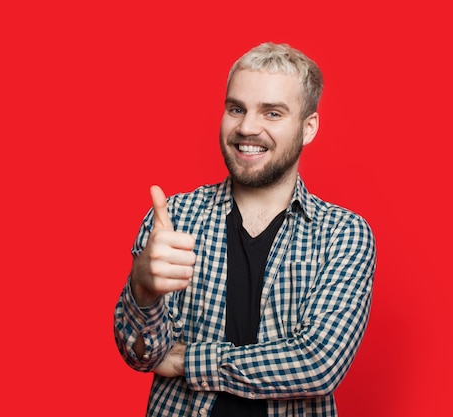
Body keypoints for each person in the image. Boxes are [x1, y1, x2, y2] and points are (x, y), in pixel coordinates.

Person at [114, 42, 376, 417]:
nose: (247, 127)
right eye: (236, 109)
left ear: (308, 128)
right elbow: (143, 357)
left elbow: (318, 365)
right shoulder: (175, 217)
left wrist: (189, 360)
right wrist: (141, 290)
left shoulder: (344, 235)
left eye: (272, 113)